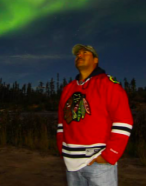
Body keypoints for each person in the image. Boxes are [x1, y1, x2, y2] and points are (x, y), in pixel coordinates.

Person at [56, 44, 133, 186]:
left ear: (95, 60)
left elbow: (124, 122)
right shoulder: (68, 89)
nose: (79, 55)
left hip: (98, 163)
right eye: (77, 54)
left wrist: (109, 155)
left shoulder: (108, 84)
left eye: (85, 53)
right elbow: (61, 123)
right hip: (70, 163)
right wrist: (62, 149)